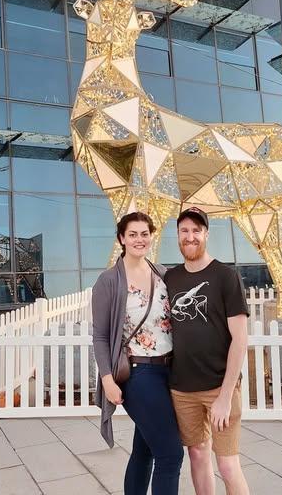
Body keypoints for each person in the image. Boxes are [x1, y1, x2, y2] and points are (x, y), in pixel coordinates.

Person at [92, 211, 184, 495]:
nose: (139, 239)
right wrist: (107, 379)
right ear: (122, 238)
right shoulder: (109, 281)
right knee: (170, 454)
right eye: (132, 234)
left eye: (144, 234)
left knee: (145, 450)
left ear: (151, 236)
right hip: (138, 374)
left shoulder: (163, 274)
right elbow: (100, 336)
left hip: (169, 370)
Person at [165, 207, 250, 495]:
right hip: (182, 389)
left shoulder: (226, 276)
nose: (190, 237)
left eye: (196, 230)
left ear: (206, 234)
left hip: (219, 387)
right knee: (198, 455)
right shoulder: (171, 278)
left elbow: (240, 339)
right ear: (178, 235)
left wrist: (225, 396)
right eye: (184, 231)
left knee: (227, 465)